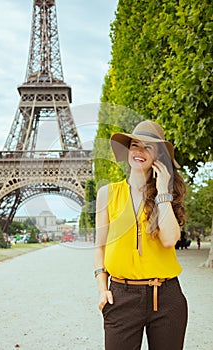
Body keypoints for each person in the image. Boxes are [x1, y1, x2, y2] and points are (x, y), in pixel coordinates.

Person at [94, 120, 188, 350]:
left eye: (148, 147)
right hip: (121, 295)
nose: (139, 151)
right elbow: (100, 246)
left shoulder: (166, 196)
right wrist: (102, 289)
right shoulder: (107, 193)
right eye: (135, 145)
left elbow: (169, 240)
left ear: (158, 157)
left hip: (166, 297)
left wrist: (163, 191)